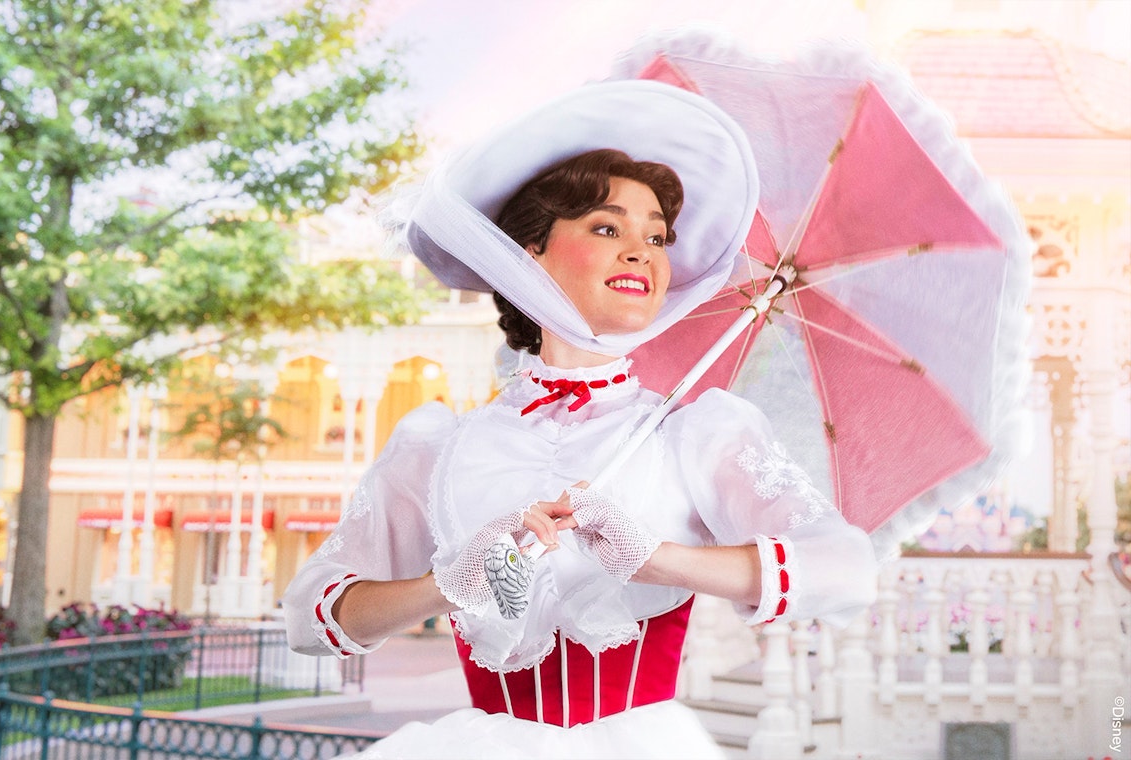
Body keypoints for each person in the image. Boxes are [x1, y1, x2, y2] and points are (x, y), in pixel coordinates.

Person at [283, 80, 878, 759]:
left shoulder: (695, 434)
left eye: (657, 236)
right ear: (528, 249)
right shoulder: (441, 446)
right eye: (606, 227)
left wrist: (655, 558)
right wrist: (448, 584)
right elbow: (312, 618)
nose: (643, 252)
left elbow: (847, 571)